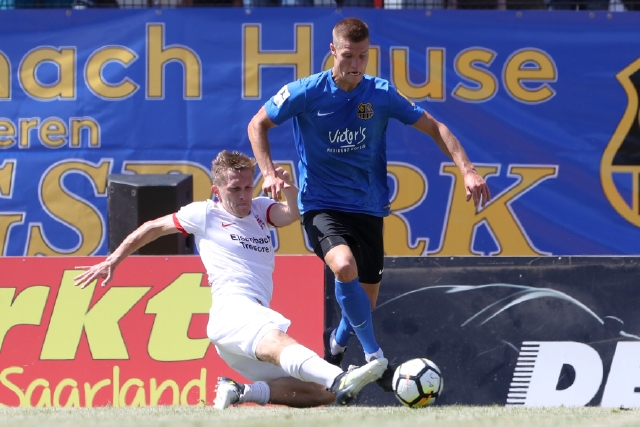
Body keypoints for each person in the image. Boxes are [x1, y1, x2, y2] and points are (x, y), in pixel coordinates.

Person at [247, 17, 491, 392]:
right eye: (348, 55)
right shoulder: (306, 92)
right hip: (321, 205)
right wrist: (268, 172)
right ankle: (376, 358)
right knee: (343, 265)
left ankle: (336, 344)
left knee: (365, 301)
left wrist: (468, 170)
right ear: (333, 50)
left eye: (363, 56)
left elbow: (435, 127)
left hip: (368, 207)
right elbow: (258, 124)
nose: (356, 64)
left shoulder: (380, 94)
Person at [73, 150, 388, 409]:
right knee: (288, 348)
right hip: (235, 309)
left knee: (322, 394)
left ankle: (239, 391)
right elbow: (152, 228)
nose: (243, 196)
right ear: (217, 191)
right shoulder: (204, 214)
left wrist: (290, 188)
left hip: (238, 324)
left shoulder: (260, 210)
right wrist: (113, 259)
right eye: (234, 190)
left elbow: (290, 215)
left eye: (248, 187)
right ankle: (339, 376)